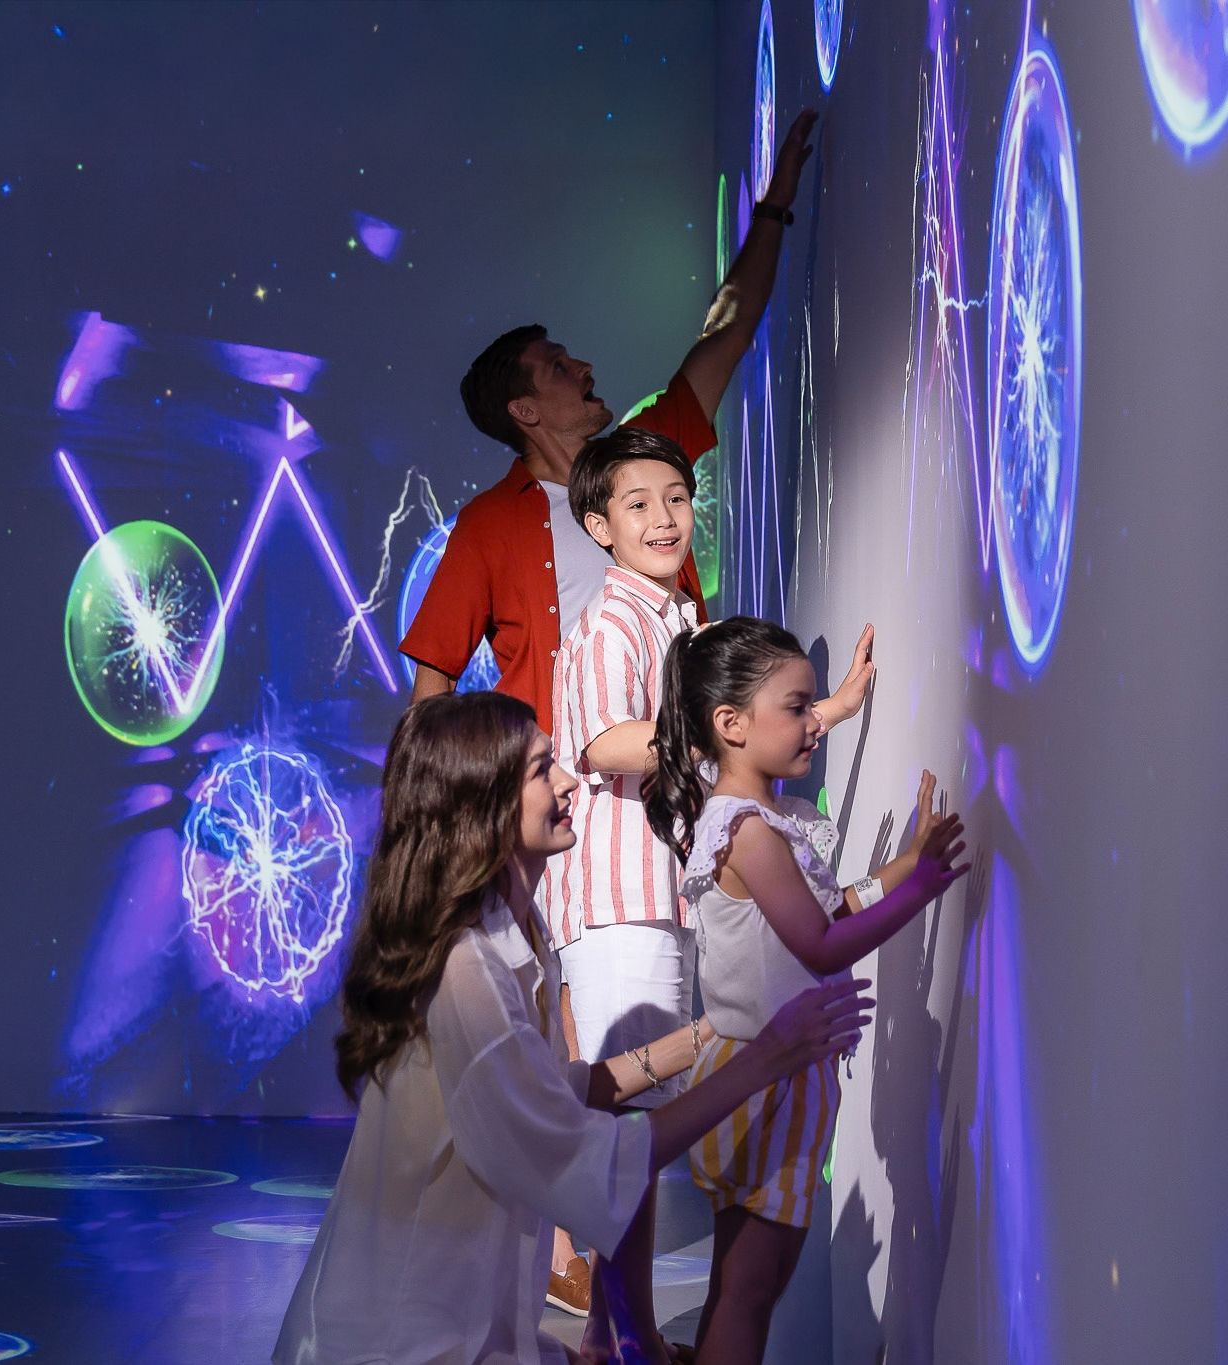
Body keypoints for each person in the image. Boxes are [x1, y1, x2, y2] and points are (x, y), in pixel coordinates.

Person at [397, 107, 821, 1309]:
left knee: (683, 1046)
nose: (584, 368)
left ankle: (626, 1302)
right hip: (580, 837)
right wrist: (446, 832)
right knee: (606, 1060)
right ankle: (595, 1297)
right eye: (559, 366)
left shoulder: (640, 464)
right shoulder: (486, 529)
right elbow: (429, 690)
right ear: (523, 409)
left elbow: (724, 336)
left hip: (685, 823)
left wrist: (773, 206)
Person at [272, 692, 871, 1365]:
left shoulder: (520, 934)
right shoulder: (465, 970)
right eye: (540, 770)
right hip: (401, 1348)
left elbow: (556, 1089)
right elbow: (581, 1153)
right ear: (482, 805)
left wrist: (712, 1034)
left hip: (466, 1333)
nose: (568, 783)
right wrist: (764, 1058)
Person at [546, 431, 875, 1351]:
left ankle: (624, 1336)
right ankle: (623, 1338)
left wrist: (816, 713)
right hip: (620, 899)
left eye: (677, 498)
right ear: (598, 525)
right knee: (626, 1129)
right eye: (638, 503)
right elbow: (604, 742)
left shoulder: (676, 617)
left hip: (659, 895)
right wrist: (741, 732)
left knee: (640, 1125)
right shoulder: (611, 622)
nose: (664, 518)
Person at [643, 618, 969, 1365]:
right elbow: (820, 943)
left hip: (772, 1074)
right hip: (768, 1080)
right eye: (797, 708)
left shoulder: (763, 822)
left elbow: (829, 909)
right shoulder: (748, 830)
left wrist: (906, 864)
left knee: (748, 1283)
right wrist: (919, 889)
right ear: (731, 724)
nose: (814, 723)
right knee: (751, 1287)